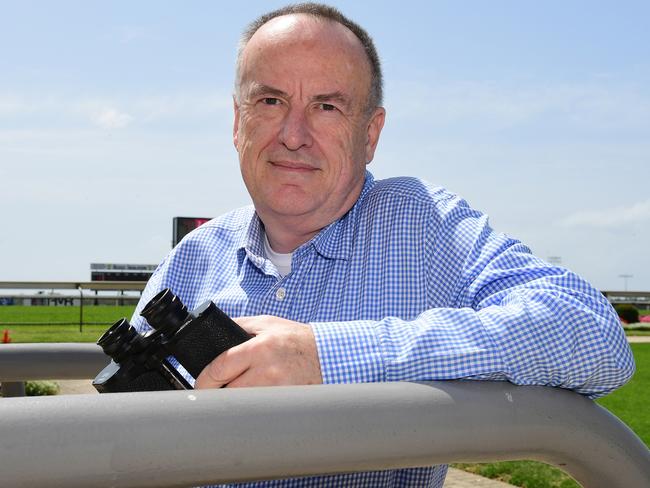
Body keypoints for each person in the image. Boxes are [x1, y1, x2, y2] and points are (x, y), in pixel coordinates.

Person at [131, 3, 635, 487]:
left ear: (370, 134)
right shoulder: (190, 262)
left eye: (327, 106)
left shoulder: (423, 226)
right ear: (238, 121)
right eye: (270, 101)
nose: (293, 134)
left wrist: (324, 359)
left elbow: (592, 335)